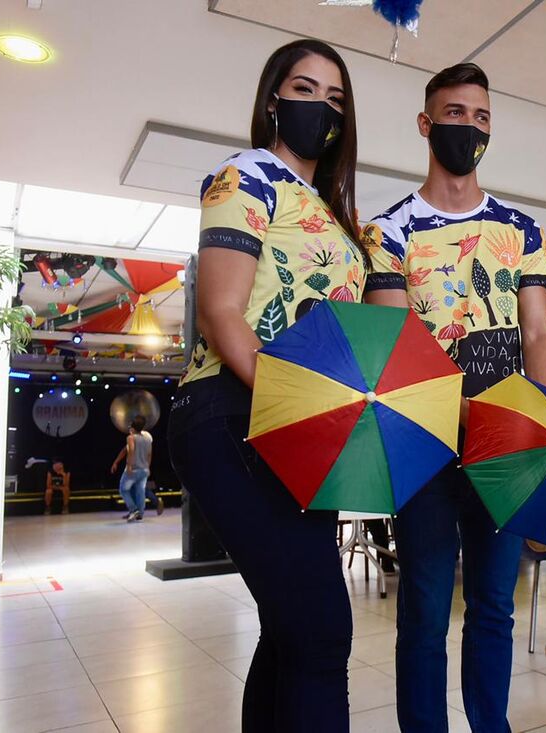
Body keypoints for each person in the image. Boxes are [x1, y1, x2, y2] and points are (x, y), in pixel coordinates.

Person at [167, 39, 366, 731]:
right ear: (272, 99)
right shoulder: (245, 173)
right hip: (236, 407)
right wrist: (295, 401)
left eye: (335, 99)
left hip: (307, 430)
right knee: (319, 630)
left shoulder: (337, 217)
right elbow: (224, 312)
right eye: (304, 90)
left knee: (289, 630)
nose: (320, 108)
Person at [361, 62, 546, 732]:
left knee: (494, 604)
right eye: (454, 114)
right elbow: (393, 345)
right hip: (424, 448)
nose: (468, 128)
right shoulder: (389, 232)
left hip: (505, 447)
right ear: (425, 124)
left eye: (480, 118)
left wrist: (536, 425)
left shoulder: (523, 230)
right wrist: (471, 411)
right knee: (421, 607)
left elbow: (537, 333)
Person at [112, 422, 164, 518]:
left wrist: (130, 466)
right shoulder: (136, 437)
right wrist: (116, 461)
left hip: (137, 467)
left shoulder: (142, 437)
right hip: (141, 467)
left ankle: (139, 509)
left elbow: (134, 451)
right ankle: (136, 512)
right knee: (137, 489)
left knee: (133, 489)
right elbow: (126, 450)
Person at [115, 416, 153, 522]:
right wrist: (148, 467)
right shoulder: (147, 439)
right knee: (140, 491)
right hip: (144, 469)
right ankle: (140, 513)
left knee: (123, 489)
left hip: (135, 468)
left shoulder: (131, 438)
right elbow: (149, 454)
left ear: (133, 426)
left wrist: (129, 465)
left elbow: (131, 450)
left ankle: (133, 509)